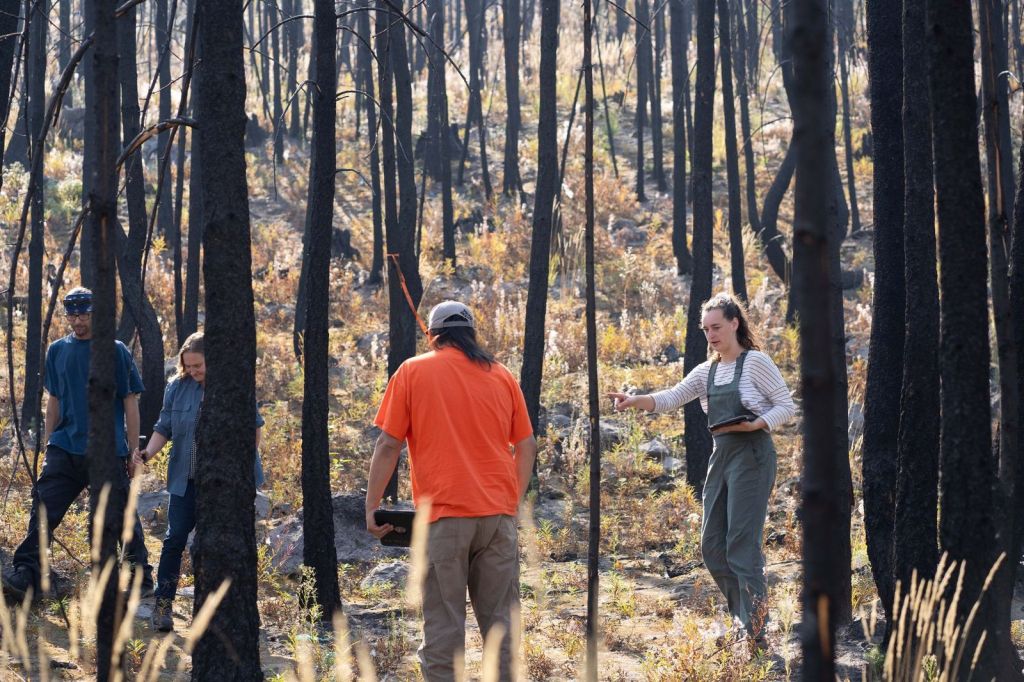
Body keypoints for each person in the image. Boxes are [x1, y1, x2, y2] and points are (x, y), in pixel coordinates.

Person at [608, 292, 795, 650]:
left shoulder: (755, 362)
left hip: (753, 455)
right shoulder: (705, 370)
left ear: (735, 323)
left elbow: (786, 405)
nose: (711, 335)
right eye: (705, 329)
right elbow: (670, 398)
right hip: (721, 455)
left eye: (717, 327)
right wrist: (636, 401)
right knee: (712, 546)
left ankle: (755, 630)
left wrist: (757, 425)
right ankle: (743, 616)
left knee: (742, 544)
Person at [365, 301, 537, 682]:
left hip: (443, 519)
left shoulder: (413, 371)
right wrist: (512, 502)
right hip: (497, 517)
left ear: (432, 335)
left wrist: (372, 505)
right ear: (471, 334)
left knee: (443, 626)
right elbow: (526, 446)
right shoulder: (501, 375)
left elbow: (388, 445)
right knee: (501, 628)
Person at [1, 287, 152, 599]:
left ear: (96, 313)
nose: (78, 320)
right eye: (72, 314)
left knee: (120, 515)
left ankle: (140, 577)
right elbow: (53, 401)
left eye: (84, 313)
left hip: (108, 450)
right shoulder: (57, 350)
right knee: (43, 509)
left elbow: (130, 401)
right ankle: (27, 573)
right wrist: (47, 446)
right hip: (64, 449)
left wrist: (133, 448)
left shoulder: (116, 350)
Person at [132, 331, 265, 632]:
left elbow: (254, 429)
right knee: (174, 539)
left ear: (212, 360)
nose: (192, 372)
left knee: (225, 545)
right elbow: (163, 426)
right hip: (186, 479)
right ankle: (163, 606)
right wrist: (147, 453)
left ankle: (230, 612)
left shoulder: (233, 385)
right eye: (188, 366)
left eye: (198, 366)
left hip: (225, 483)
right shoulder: (177, 388)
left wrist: (241, 469)